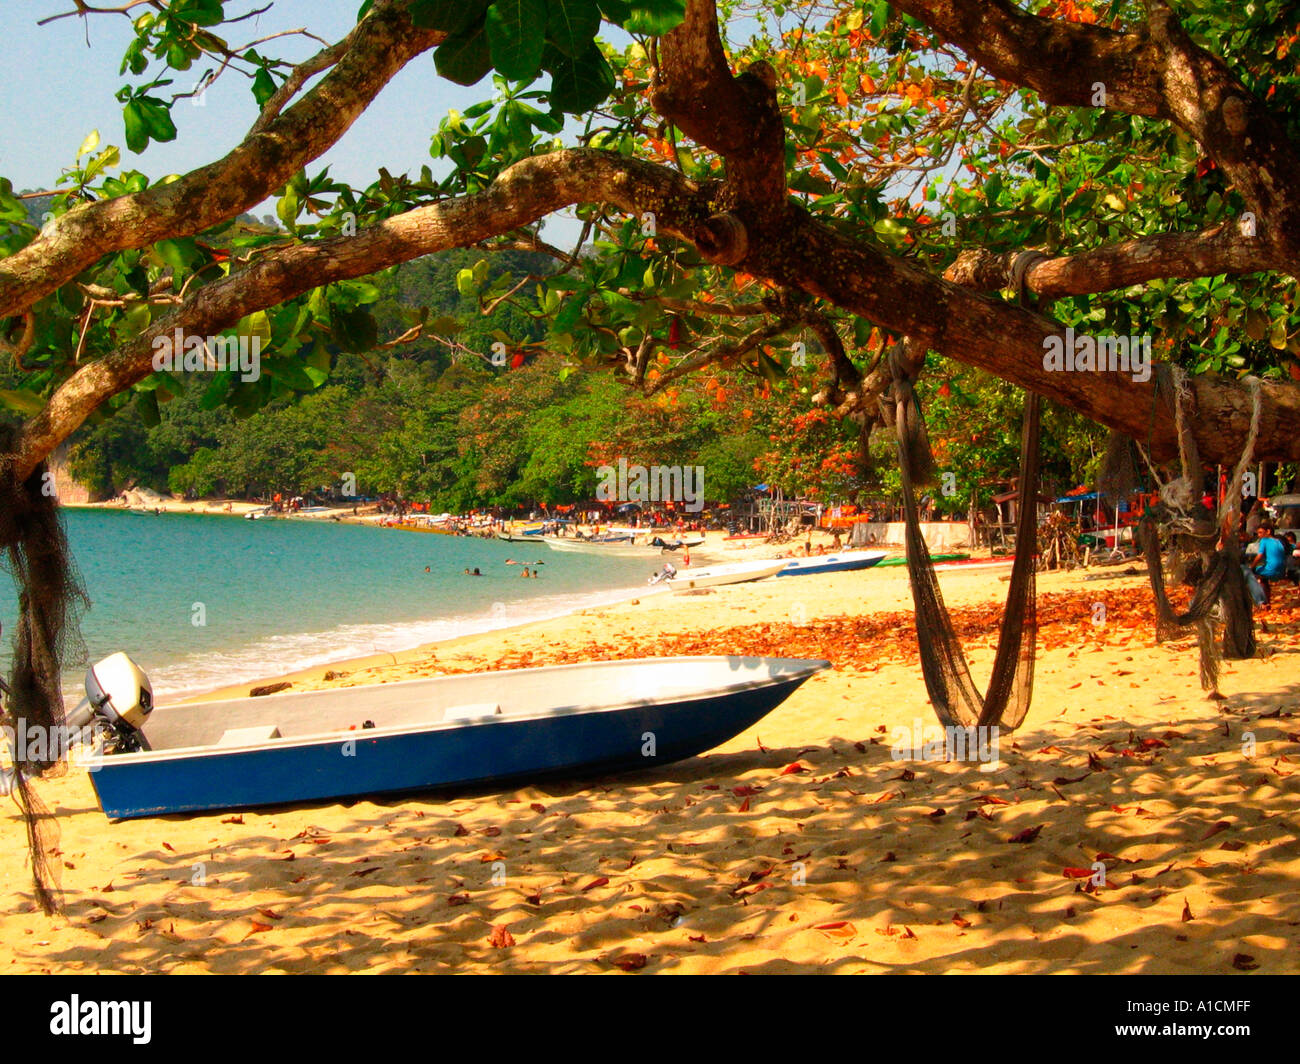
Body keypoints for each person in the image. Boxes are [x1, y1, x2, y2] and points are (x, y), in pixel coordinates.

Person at [1247, 522, 1287, 606]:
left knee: (1251, 574)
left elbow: (1259, 556)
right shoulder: (1279, 541)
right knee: (1263, 575)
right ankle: (1267, 600)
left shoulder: (1264, 540)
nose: (1258, 535)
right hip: (1282, 570)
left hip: (1271, 569)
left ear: (1268, 531)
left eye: (1260, 532)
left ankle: (1262, 601)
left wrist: (1251, 567)